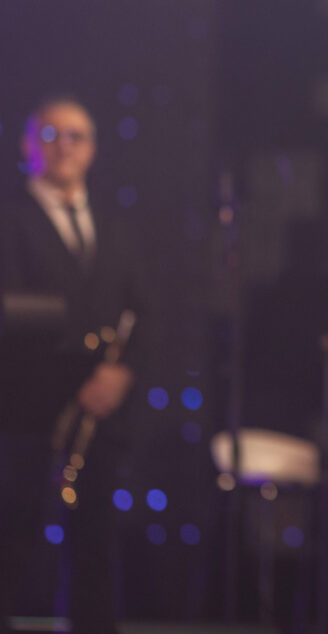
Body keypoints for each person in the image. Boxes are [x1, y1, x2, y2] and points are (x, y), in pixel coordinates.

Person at [0, 97, 151, 634]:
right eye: (51, 134)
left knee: (96, 534)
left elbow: (145, 312)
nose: (64, 146)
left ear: (92, 149)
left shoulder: (116, 227)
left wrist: (121, 374)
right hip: (24, 405)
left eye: (76, 136)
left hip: (100, 411)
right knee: (12, 526)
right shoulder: (9, 218)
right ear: (28, 145)